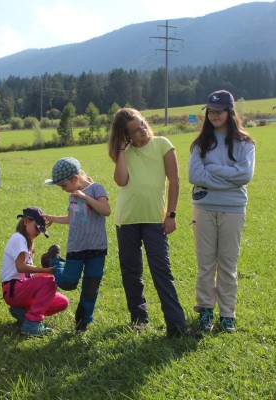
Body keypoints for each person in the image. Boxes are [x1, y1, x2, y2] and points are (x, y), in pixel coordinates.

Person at [107, 108, 199, 338]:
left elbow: (174, 181)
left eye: (143, 124)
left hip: (155, 220)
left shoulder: (162, 144)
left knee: (162, 271)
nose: (143, 131)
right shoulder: (125, 152)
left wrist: (171, 214)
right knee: (131, 272)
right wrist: (121, 150)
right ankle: (139, 320)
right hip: (127, 218)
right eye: (135, 130)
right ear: (126, 135)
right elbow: (121, 181)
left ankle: (177, 326)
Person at [188, 90, 256, 333]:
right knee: (205, 263)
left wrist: (212, 169)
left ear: (230, 111)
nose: (214, 115)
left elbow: (245, 175)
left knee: (228, 263)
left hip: (233, 209)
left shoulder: (245, 143)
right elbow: (194, 175)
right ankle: (205, 309)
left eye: (219, 110)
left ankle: (227, 313)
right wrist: (230, 178)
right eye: (210, 111)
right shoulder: (200, 143)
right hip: (203, 208)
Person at [43, 157, 111, 332]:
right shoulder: (73, 196)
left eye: (64, 185)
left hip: (96, 249)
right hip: (76, 248)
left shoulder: (96, 189)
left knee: (90, 289)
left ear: (75, 178)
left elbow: (105, 210)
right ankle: (54, 259)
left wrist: (85, 197)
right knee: (68, 282)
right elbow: (72, 218)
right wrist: (52, 218)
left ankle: (82, 323)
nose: (63, 189)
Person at [0, 207, 69, 336]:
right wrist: (46, 270)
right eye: (37, 228)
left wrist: (46, 269)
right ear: (26, 221)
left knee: (62, 302)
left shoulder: (27, 241)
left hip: (22, 288)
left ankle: (23, 314)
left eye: (41, 230)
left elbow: (29, 274)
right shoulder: (19, 238)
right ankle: (32, 323)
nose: (38, 233)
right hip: (14, 289)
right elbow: (20, 267)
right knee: (49, 281)